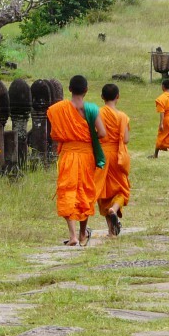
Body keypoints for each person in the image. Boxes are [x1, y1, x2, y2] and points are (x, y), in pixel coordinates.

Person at [47, 75, 107, 246]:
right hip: (86, 154)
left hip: (68, 154)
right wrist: (88, 137)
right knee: (85, 191)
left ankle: (72, 235)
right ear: (86, 90)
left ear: (69, 89)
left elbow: (54, 134)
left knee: (67, 190)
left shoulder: (58, 109)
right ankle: (82, 234)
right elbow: (102, 134)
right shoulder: (92, 109)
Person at [95, 83, 131, 238]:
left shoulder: (98, 113)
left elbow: (95, 133)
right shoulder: (123, 116)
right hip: (117, 155)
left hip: (101, 155)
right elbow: (127, 139)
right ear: (118, 97)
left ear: (102, 97)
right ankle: (115, 208)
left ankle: (111, 231)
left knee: (103, 192)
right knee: (122, 189)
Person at [153, 78, 169, 158]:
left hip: (166, 119)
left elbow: (162, 112)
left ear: (163, 86)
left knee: (161, 136)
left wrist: (161, 123)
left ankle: (155, 155)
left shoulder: (161, 98)